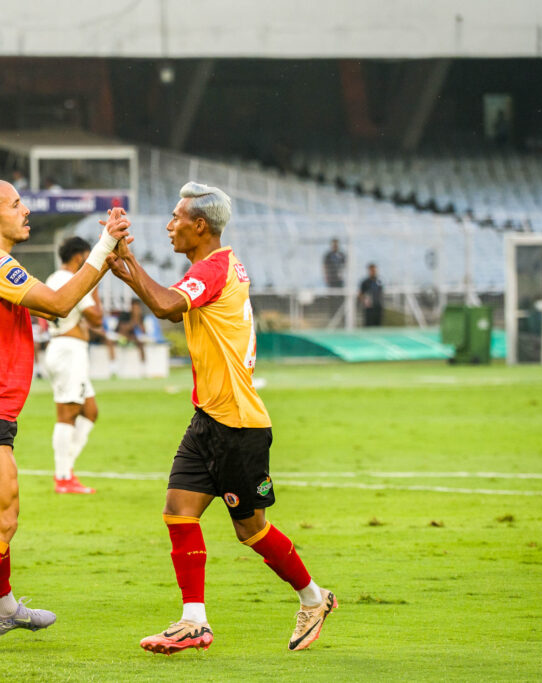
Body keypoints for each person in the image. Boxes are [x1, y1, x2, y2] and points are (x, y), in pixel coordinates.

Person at [108, 181, 336, 655]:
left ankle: (314, 599)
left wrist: (129, 264)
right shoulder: (214, 266)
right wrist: (126, 263)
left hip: (238, 424)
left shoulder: (214, 268)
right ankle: (194, 622)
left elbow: (166, 306)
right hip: (209, 418)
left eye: (176, 218)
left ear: (199, 225)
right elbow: (172, 306)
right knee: (178, 510)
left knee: (250, 530)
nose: (169, 226)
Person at [0, 179, 129, 662]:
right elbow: (59, 305)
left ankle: (4, 609)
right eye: (16, 204)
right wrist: (105, 246)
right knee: (2, 519)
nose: (26, 210)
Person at [44, 236, 104, 494]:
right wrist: (95, 282)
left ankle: (66, 470)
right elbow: (96, 318)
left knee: (89, 411)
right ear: (80, 257)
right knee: (67, 412)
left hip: (63, 348)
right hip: (69, 351)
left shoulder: (54, 278)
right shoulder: (71, 280)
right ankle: (63, 477)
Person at [358, 262, 384, 326]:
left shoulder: (379, 281)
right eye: (372, 270)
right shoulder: (365, 282)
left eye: (374, 270)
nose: (373, 272)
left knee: (378, 326)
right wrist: (365, 301)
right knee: (369, 326)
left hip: (378, 308)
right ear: (369, 271)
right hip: (369, 309)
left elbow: (381, 293)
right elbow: (360, 294)